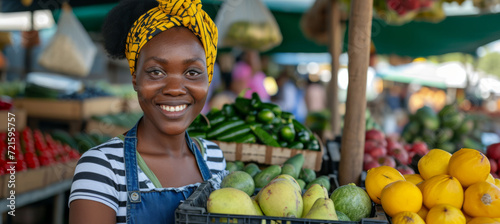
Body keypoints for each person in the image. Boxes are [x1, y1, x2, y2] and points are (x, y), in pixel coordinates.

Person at [68, 1, 227, 223]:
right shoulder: (102, 168)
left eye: (192, 72)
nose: (174, 89)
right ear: (135, 79)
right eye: (156, 71)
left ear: (208, 79)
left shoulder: (215, 159)